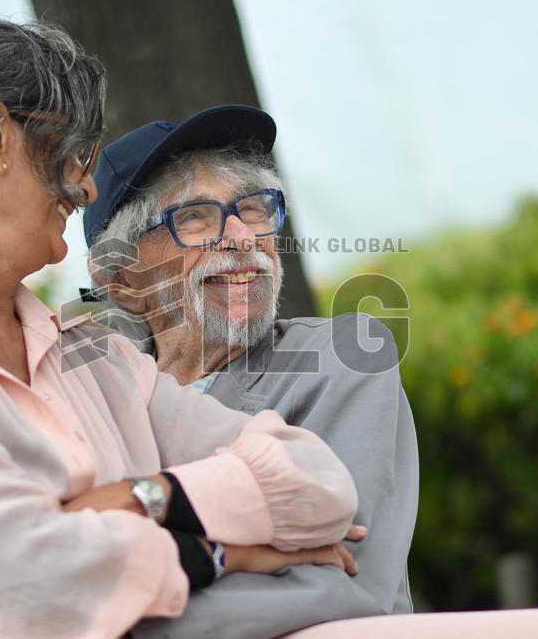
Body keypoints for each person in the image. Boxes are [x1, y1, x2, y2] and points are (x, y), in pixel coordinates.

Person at [0, 15, 360, 639]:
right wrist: (220, 552)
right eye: (75, 153)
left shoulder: (93, 354)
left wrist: (143, 497)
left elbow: (321, 485)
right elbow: (12, 579)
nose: (88, 188)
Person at [82, 104, 418, 638]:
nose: (242, 237)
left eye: (255, 208)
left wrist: (93, 613)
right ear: (121, 278)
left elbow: (340, 587)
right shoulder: (89, 394)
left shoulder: (344, 355)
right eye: (193, 217)